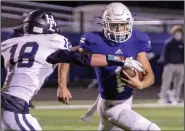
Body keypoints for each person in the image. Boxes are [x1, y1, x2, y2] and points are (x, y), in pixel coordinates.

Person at [1, 9, 143, 131]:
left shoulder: (11, 43)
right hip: (13, 107)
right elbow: (81, 59)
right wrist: (120, 59)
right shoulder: (50, 42)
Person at [76, 2, 161, 131]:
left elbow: (149, 75)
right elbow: (69, 56)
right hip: (112, 106)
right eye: (114, 25)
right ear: (105, 24)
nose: (119, 30)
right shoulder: (94, 40)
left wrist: (141, 84)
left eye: (122, 25)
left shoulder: (137, 39)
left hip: (122, 102)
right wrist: (62, 85)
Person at [158, 25, 184, 105]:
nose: (179, 35)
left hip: (180, 66)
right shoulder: (169, 43)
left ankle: (177, 98)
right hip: (170, 66)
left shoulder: (182, 43)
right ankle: (163, 98)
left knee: (178, 83)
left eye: (180, 33)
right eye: (177, 33)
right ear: (174, 33)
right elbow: (164, 55)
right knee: (166, 82)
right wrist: (167, 64)